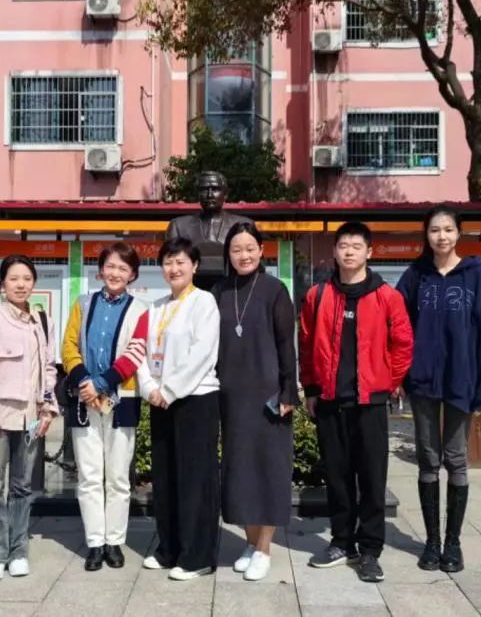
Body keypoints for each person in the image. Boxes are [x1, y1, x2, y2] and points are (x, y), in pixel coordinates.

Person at [298, 221, 414, 583]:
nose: (349, 252)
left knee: (372, 479)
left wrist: (389, 382)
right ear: (334, 251)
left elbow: (403, 344)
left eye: (356, 246)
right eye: (343, 245)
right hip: (330, 400)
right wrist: (311, 388)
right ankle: (341, 541)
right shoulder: (318, 295)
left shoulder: (387, 297)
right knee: (337, 477)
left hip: (370, 403)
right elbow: (306, 344)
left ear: (369, 252)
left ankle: (370, 550)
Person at [396, 205, 481, 575]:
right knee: (427, 458)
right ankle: (431, 541)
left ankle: (453, 543)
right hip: (422, 380)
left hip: (460, 378)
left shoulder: (475, 274)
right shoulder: (415, 275)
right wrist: (398, 375)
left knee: (456, 457)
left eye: (448, 229)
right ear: (426, 235)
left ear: (459, 233)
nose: (442, 236)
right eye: (435, 230)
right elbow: (398, 327)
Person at [130, 237, 221, 580]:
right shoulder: (156, 307)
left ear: (194, 266)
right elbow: (140, 350)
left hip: (195, 398)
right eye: (168, 262)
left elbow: (203, 353)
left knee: (195, 479)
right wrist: (149, 387)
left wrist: (169, 389)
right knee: (166, 477)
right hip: (160, 400)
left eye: (181, 261)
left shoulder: (204, 302)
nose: (174, 268)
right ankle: (169, 548)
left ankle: (197, 556)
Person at [212, 222, 298, 581]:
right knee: (239, 472)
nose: (244, 255)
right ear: (228, 254)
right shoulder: (219, 291)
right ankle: (249, 542)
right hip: (231, 394)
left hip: (268, 395)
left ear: (262, 251)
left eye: (250, 248)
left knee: (268, 469)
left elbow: (286, 344)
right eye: (236, 249)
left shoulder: (275, 290)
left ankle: (264, 548)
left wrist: (289, 390)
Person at [61, 242, 150, 572]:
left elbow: (136, 352)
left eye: (123, 268)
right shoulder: (83, 304)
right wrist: (85, 381)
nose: (115, 273)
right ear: (100, 270)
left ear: (132, 275)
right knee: (88, 475)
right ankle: (95, 543)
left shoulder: (141, 310)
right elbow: (69, 345)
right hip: (83, 398)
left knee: (118, 476)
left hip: (122, 398)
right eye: (110, 266)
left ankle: (115, 541)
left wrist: (101, 383)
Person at [0, 255, 59, 581]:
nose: (21, 285)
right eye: (14, 279)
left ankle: (18, 551)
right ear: (2, 284)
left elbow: (49, 368)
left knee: (22, 487)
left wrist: (48, 408)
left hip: (31, 417)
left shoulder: (42, 320)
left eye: (27, 279)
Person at [166, 171, 255, 290]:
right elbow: (172, 264)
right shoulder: (179, 226)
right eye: (204, 189)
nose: (210, 195)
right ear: (198, 194)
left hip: (231, 291)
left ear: (225, 194)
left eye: (215, 189)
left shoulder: (243, 224)